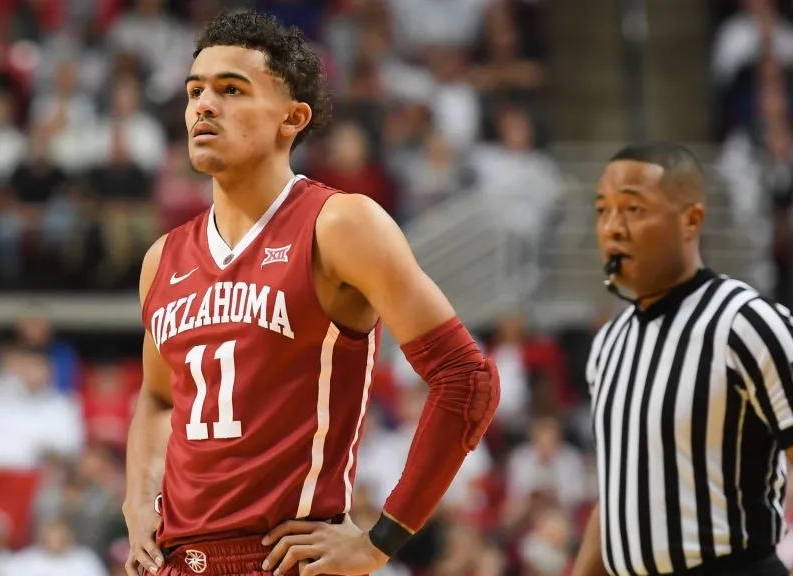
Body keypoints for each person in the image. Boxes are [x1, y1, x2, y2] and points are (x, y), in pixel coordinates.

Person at [124, 10, 501, 576]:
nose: (204, 105)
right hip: (178, 562)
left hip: (284, 559)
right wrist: (137, 502)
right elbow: (158, 399)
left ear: (292, 118)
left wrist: (379, 541)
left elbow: (467, 379)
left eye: (231, 89)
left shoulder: (340, 224)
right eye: (195, 90)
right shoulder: (163, 258)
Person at [571, 142, 793, 576]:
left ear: (691, 220)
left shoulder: (747, 323)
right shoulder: (608, 345)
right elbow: (619, 494)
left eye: (633, 209)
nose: (613, 228)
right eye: (602, 211)